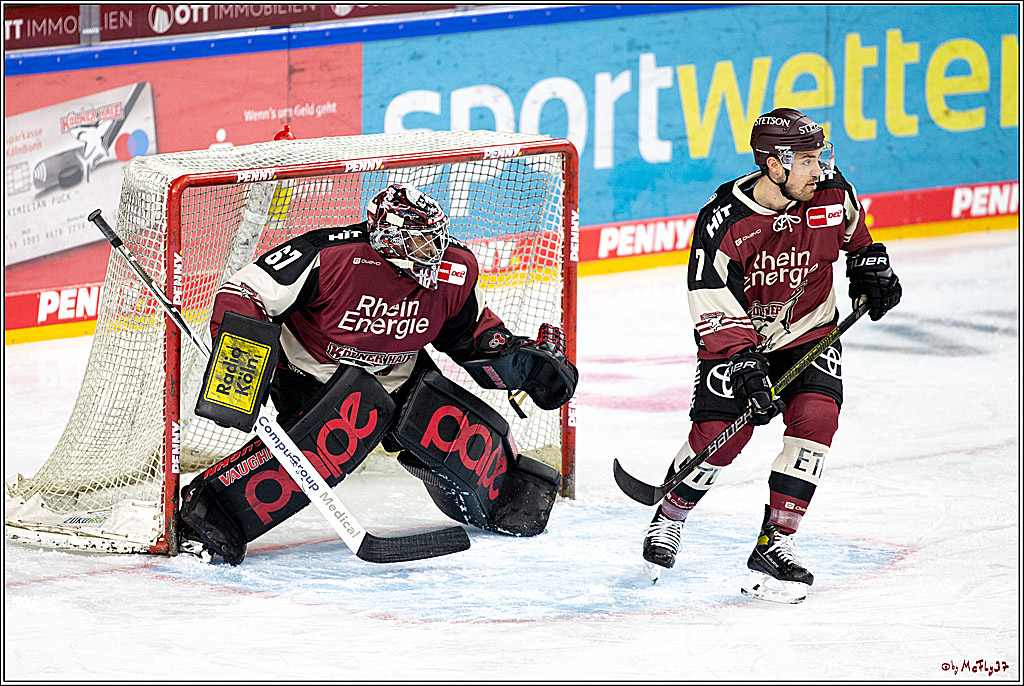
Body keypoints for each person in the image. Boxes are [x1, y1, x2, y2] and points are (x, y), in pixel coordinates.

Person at [179, 183, 577, 564]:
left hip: (400, 371)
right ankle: (213, 509)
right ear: (387, 237)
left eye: (435, 239)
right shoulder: (327, 255)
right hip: (312, 375)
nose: (433, 252)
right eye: (419, 241)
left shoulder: (456, 269)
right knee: (335, 440)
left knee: (447, 424)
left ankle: (504, 490)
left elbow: (469, 332)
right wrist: (243, 363)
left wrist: (515, 360)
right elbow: (243, 294)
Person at [641, 108, 902, 602]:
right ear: (774, 165)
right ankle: (670, 514)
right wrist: (743, 364)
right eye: (806, 160)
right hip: (741, 341)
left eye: (819, 156)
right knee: (721, 438)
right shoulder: (724, 220)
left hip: (811, 334)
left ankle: (775, 542)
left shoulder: (831, 193)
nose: (818, 167)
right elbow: (711, 300)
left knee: (817, 420)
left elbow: (856, 238)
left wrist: (871, 267)